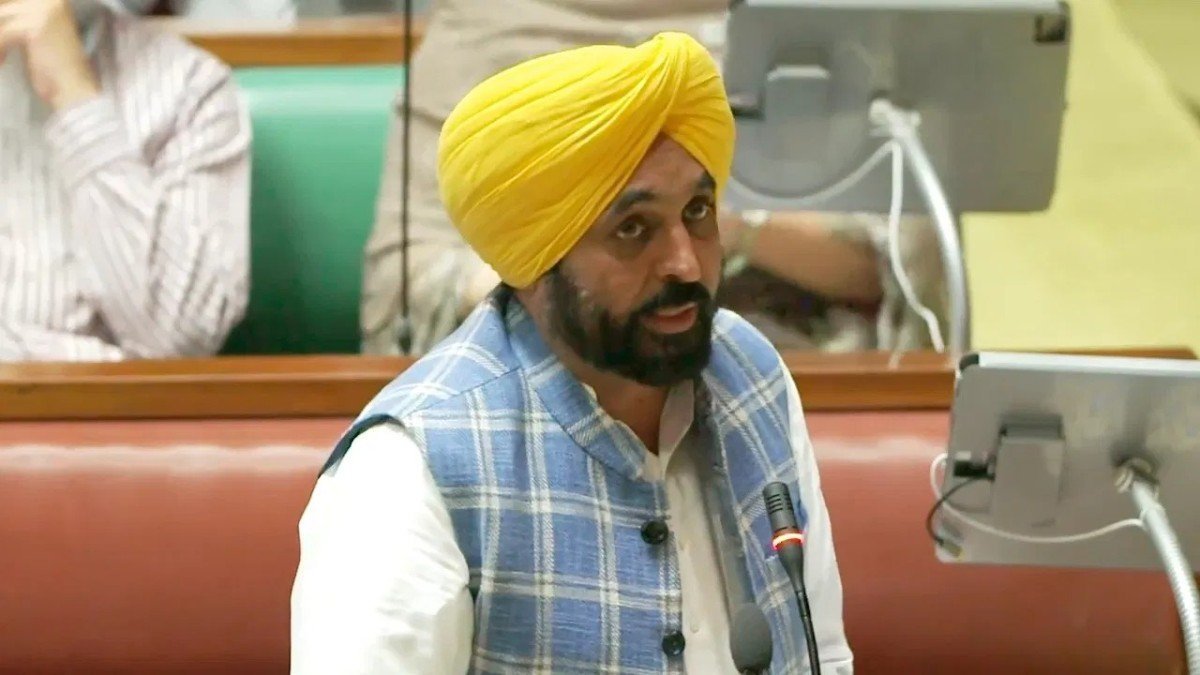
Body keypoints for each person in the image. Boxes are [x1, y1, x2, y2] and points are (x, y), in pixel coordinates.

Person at [292, 32, 852, 674]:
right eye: (633, 228)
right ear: (535, 259)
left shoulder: (751, 376)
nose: (685, 262)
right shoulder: (408, 469)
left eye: (697, 211)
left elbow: (824, 655)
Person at [360, 0, 943, 356]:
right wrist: (573, 249)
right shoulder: (483, 26)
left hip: (794, 369)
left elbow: (908, 275)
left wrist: (716, 219)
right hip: (545, 366)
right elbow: (407, 285)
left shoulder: (824, 20)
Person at [0, 0, 250, 361]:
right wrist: (83, 354)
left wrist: (74, 94)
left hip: (89, 398)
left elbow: (182, 340)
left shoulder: (189, 87)